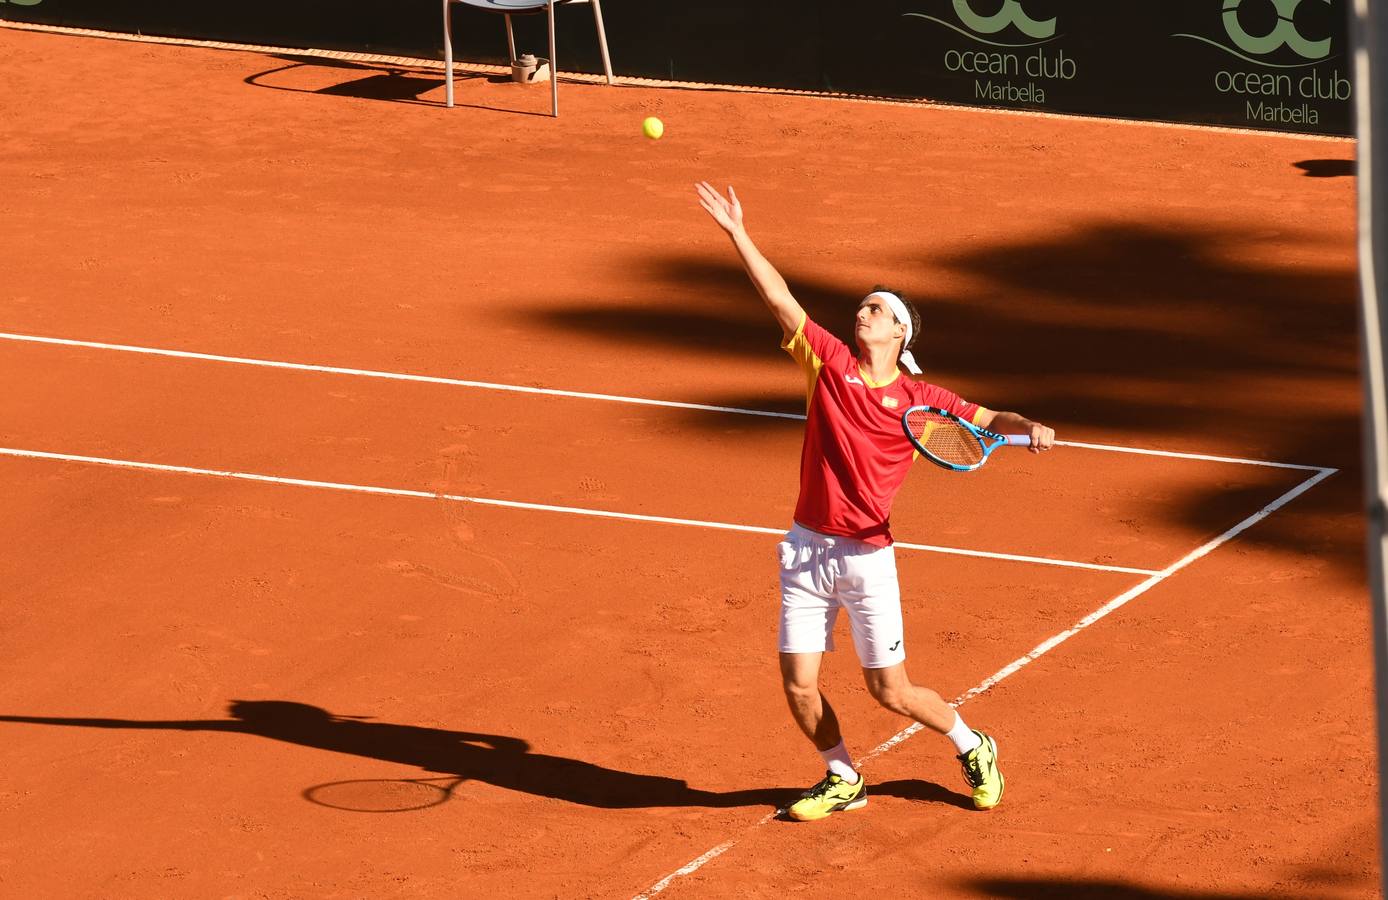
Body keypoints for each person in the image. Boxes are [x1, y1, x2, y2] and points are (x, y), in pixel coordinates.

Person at [695, 181, 1055, 821]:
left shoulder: (924, 399)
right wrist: (737, 233)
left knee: (890, 689)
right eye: (862, 307)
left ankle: (972, 744)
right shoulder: (827, 363)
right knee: (798, 684)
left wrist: (1029, 428)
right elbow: (780, 299)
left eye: (875, 310)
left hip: (867, 559)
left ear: (898, 332)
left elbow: (992, 415)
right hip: (806, 548)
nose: (861, 314)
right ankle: (842, 775)